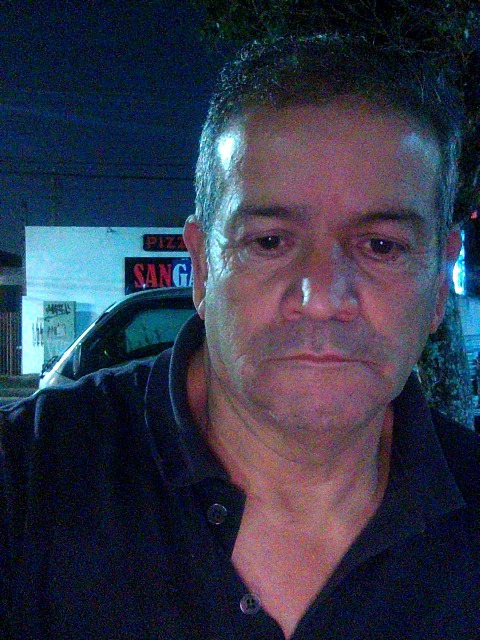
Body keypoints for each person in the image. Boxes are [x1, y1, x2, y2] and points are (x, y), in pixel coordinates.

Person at [1, 36, 479, 640]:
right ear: (202, 268)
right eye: (270, 242)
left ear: (439, 282)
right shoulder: (26, 482)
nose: (322, 296)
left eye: (381, 246)